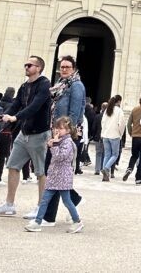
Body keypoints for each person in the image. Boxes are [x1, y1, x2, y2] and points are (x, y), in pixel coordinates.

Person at [0, 55, 51, 218]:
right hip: (24, 133)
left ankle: (40, 207)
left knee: (40, 171)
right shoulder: (24, 86)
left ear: (38, 68)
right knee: (13, 165)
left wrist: (16, 118)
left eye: (30, 65)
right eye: (25, 65)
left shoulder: (44, 84)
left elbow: (35, 106)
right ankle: (9, 204)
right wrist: (3, 115)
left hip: (39, 133)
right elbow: (16, 104)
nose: (26, 67)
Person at [40, 55, 86, 223]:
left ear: (73, 68)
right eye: (62, 66)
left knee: (52, 172)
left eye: (67, 66)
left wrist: (63, 136)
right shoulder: (61, 85)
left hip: (65, 136)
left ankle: (48, 216)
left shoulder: (76, 86)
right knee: (52, 172)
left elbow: (73, 114)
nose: (64, 69)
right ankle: (74, 199)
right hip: (56, 134)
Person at [23, 116, 83, 233]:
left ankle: (77, 221)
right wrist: (52, 144)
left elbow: (60, 157)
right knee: (45, 200)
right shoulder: (59, 140)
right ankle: (38, 221)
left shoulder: (68, 142)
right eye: (56, 128)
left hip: (63, 177)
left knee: (67, 201)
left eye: (60, 129)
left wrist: (54, 145)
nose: (57, 131)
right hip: (55, 176)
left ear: (68, 130)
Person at [98, 94, 125, 182]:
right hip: (115, 135)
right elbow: (121, 124)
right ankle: (105, 168)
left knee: (107, 155)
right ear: (119, 101)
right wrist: (120, 134)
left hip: (105, 135)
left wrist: (102, 133)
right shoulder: (119, 111)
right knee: (115, 155)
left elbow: (103, 122)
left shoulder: (107, 110)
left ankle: (105, 176)